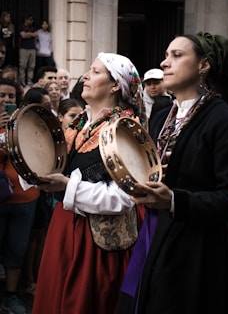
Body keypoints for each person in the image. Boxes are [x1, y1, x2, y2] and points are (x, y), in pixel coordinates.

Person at [118, 33, 228, 314]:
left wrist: (174, 201)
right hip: (156, 235)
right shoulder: (161, 115)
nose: (164, 63)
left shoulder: (226, 121)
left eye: (177, 55)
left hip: (203, 252)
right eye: (167, 55)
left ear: (203, 65)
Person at [21, 52, 147, 314]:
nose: (86, 76)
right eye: (88, 69)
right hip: (64, 227)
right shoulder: (77, 125)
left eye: (96, 71)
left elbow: (125, 198)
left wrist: (67, 187)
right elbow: (49, 166)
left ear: (115, 85)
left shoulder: (127, 129)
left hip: (98, 243)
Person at [0, 78, 39, 314]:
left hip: (25, 199)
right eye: (2, 96)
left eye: (11, 97)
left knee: (17, 249)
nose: (6, 100)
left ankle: (11, 295)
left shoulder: (25, 123)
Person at [20, 87, 52, 297]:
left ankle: (39, 278)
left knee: (41, 236)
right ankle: (28, 280)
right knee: (29, 239)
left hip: (45, 190)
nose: (50, 110)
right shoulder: (22, 126)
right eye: (46, 106)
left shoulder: (49, 124)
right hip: (27, 192)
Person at [18, 15, 38, 87]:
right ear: (26, 20)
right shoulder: (21, 27)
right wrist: (31, 35)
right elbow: (23, 35)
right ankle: (22, 81)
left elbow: (36, 34)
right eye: (30, 19)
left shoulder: (34, 28)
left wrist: (28, 34)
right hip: (23, 48)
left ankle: (29, 81)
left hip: (32, 49)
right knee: (23, 65)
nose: (31, 21)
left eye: (32, 19)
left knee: (31, 66)